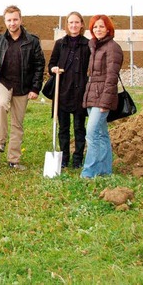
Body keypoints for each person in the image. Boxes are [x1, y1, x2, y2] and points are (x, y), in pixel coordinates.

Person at [0, 5, 45, 170]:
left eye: (15, 19)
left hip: (23, 86)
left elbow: (39, 65)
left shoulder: (32, 41)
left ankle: (14, 160)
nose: (12, 23)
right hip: (3, 82)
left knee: (17, 124)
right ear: (4, 21)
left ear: (20, 20)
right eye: (9, 20)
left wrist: (35, 88)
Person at [80, 14, 123, 178]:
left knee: (91, 134)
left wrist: (106, 101)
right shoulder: (96, 46)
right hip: (93, 95)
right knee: (101, 134)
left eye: (101, 26)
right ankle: (105, 170)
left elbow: (111, 77)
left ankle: (89, 172)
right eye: (95, 27)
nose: (98, 29)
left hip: (102, 97)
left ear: (108, 29)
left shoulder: (112, 48)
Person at [47, 11, 90, 169]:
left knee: (79, 127)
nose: (74, 25)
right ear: (67, 25)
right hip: (62, 91)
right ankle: (64, 157)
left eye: (77, 22)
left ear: (81, 24)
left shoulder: (87, 45)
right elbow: (50, 64)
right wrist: (54, 69)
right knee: (63, 127)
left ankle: (78, 158)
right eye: (71, 23)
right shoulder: (60, 44)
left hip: (79, 92)